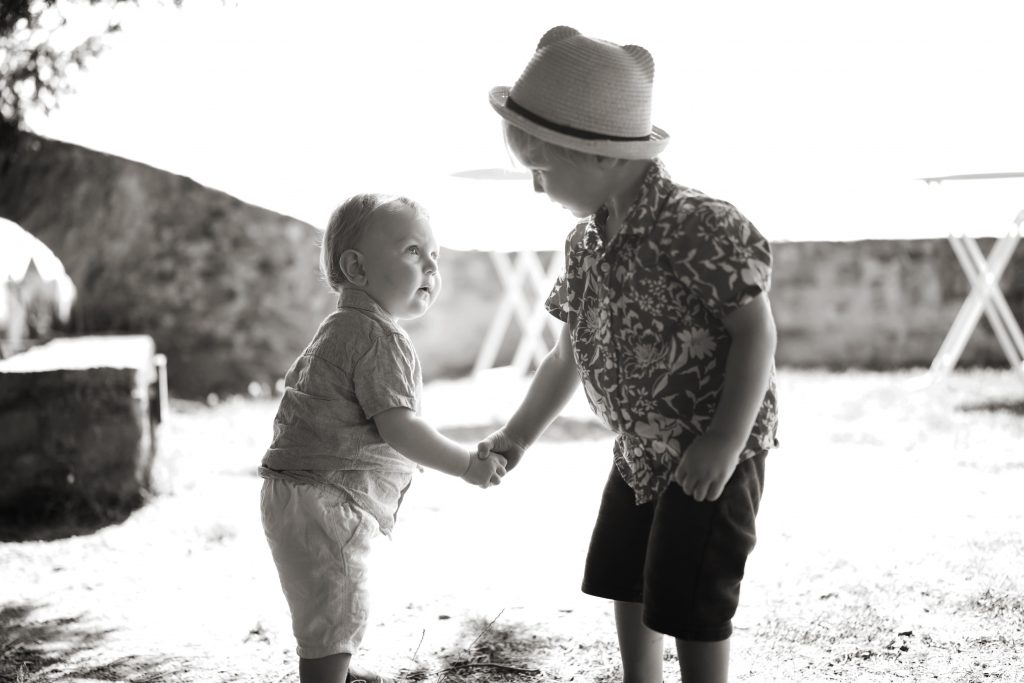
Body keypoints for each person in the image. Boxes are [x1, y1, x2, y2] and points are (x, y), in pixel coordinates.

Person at [476, 27, 779, 683]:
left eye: (543, 170)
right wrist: (517, 435)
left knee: (693, 591)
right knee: (625, 571)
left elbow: (757, 333)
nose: (535, 188)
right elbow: (567, 356)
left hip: (708, 448)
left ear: (602, 157)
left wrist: (724, 440)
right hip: (639, 449)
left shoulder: (700, 225)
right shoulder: (585, 245)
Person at [259, 193, 507, 683]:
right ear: (357, 267)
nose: (431, 267)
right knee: (338, 606)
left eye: (435, 256)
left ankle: (336, 671)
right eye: (414, 251)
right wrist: (467, 465)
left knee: (324, 602)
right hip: (328, 497)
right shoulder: (379, 337)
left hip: (291, 491)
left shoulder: (339, 326)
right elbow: (400, 426)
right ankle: (327, 674)